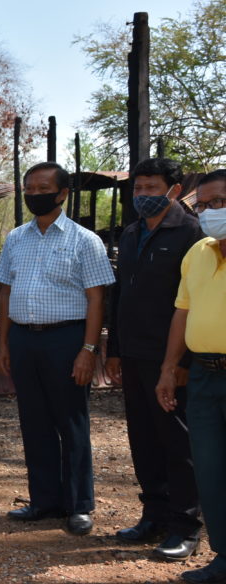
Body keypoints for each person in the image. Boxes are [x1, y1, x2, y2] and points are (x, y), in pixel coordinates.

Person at [0, 162, 114, 536]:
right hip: (24, 339)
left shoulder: (85, 240)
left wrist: (89, 350)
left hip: (66, 339)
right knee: (34, 421)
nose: (34, 194)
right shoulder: (16, 238)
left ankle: (78, 505)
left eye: (42, 188)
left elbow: (96, 299)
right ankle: (44, 500)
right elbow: (5, 292)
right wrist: (2, 341)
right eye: (28, 189)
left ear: (62, 193)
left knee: (71, 422)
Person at [104, 158, 202, 559]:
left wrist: (179, 363)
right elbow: (120, 296)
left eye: (151, 188)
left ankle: (186, 526)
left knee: (177, 443)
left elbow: (193, 304)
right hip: (133, 353)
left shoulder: (192, 235)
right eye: (138, 188)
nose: (142, 196)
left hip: (172, 359)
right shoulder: (130, 234)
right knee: (143, 438)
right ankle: (154, 516)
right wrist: (113, 350)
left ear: (174, 190)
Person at [157, 169, 226, 584]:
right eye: (205, 205)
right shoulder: (197, 252)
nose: (213, 211)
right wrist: (169, 368)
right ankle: (223, 557)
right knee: (211, 470)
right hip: (203, 377)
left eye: (222, 202)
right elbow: (182, 312)